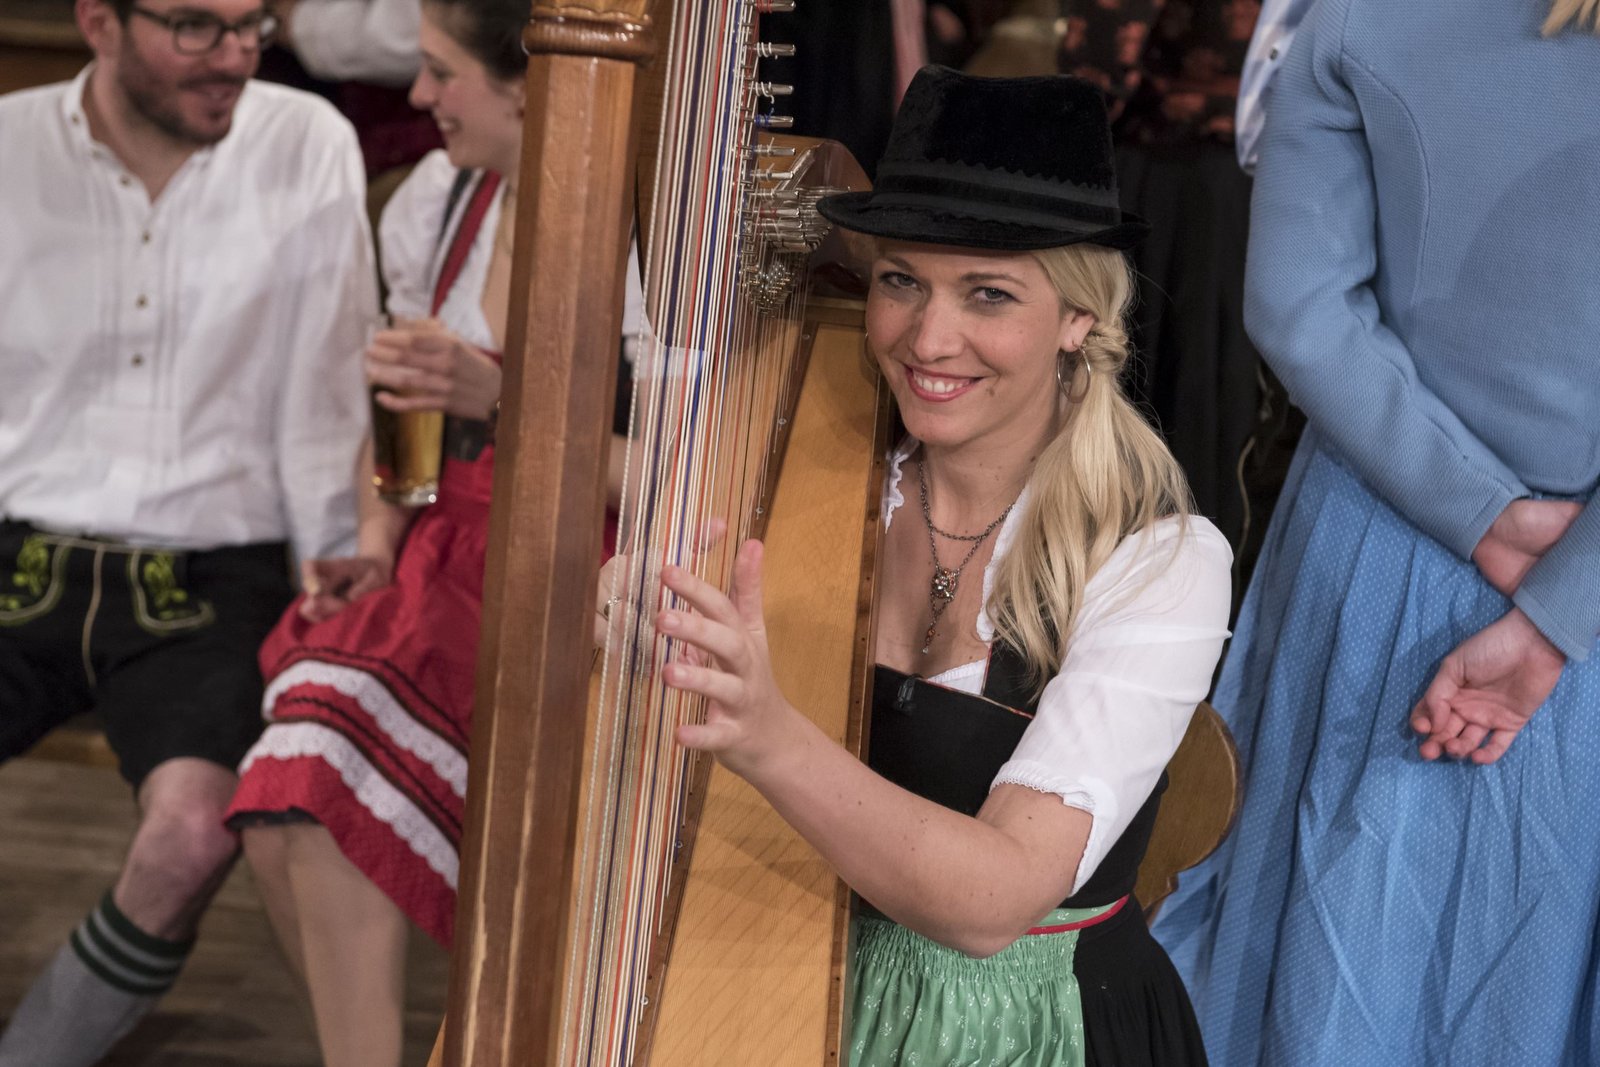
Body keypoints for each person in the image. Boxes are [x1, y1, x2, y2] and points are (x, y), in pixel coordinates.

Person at [628, 67, 1232, 1065]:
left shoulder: (1158, 559)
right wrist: (630, 614)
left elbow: (995, 899)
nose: (928, 338)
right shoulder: (807, 457)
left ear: (1077, 317)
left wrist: (768, 733)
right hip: (782, 959)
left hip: (1028, 1024)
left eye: (987, 294)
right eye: (901, 280)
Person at [1149, 1, 1600, 1063]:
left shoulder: (1359, 15)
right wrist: (1564, 606)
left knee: (1334, 954)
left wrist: (1482, 515)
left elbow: (1297, 306)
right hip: (1575, 597)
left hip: (1380, 540)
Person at [223, 0, 633, 1061]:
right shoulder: (437, 202)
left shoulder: (645, 238)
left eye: (443, 74)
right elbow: (403, 428)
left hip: (579, 561)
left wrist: (501, 401)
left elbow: (676, 478)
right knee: (276, 808)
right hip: (439, 550)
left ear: (533, 88)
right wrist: (373, 539)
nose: (418, 97)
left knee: (317, 787)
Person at [0, 0, 375, 1061]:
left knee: (191, 833)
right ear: (99, 23)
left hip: (213, 568)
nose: (237, 57)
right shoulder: (10, 144)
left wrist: (336, 574)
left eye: (254, 24)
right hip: (17, 542)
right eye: (198, 28)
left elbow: (327, 390)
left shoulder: (307, 140)